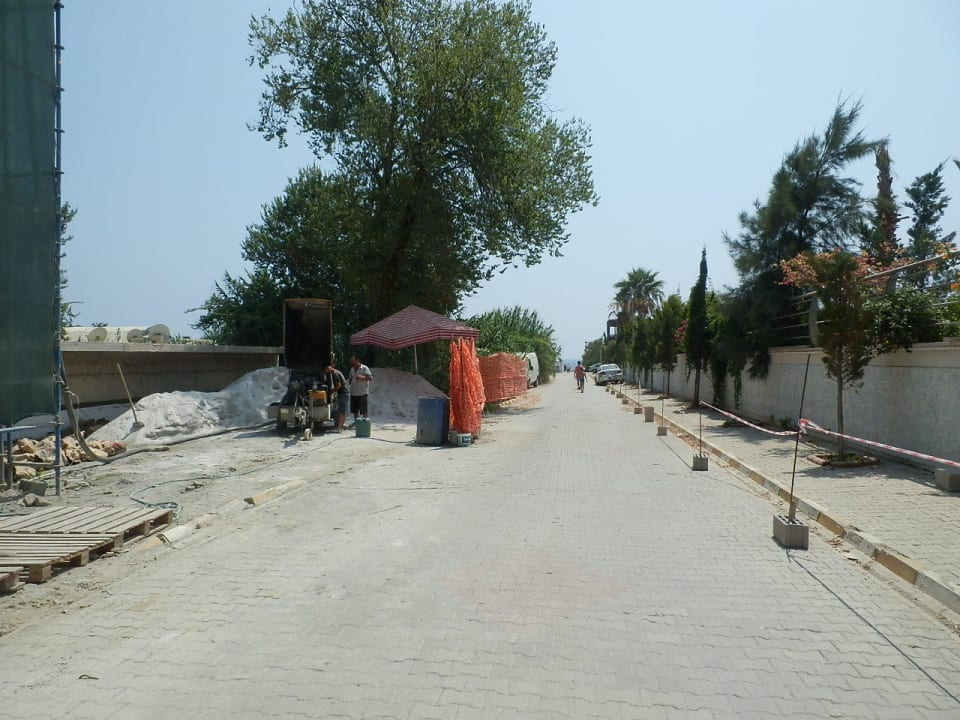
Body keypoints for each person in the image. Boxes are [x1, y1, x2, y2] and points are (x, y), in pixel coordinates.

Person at [348, 356, 374, 424]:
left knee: (364, 409)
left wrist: (362, 377)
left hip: (362, 392)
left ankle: (365, 422)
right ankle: (357, 422)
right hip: (353, 392)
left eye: (353, 361)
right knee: (355, 409)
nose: (352, 363)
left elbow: (371, 378)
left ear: (357, 360)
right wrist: (350, 381)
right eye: (351, 362)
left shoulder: (364, 368)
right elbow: (350, 377)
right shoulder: (352, 369)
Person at [325, 361, 349, 432]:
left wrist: (329, 392)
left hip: (343, 393)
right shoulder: (336, 372)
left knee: (342, 411)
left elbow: (338, 386)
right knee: (341, 410)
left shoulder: (335, 374)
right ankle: (341, 425)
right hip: (343, 393)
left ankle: (339, 428)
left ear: (330, 367)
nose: (326, 371)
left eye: (327, 369)